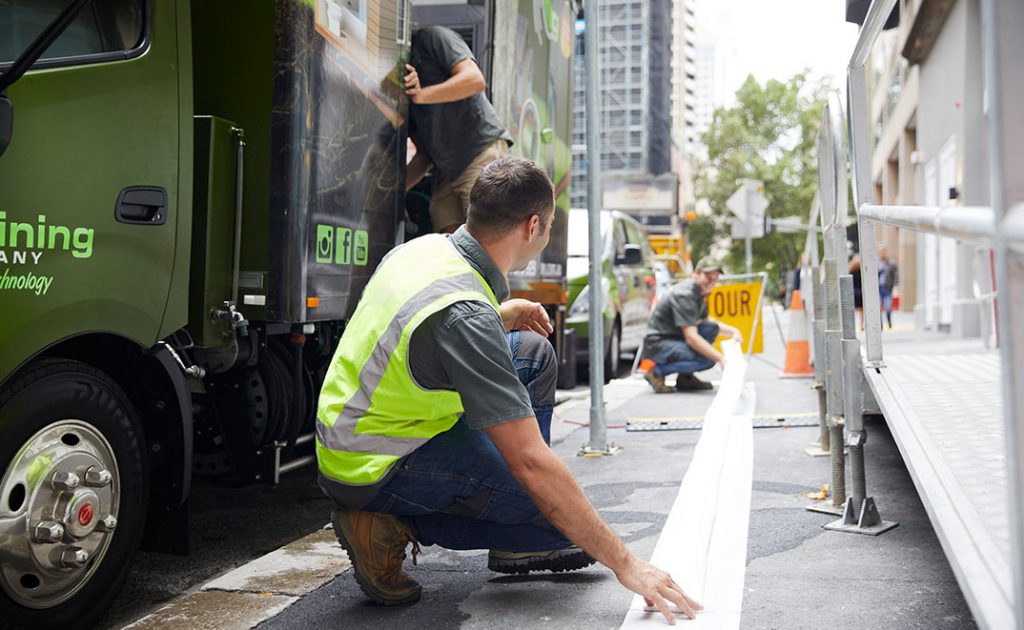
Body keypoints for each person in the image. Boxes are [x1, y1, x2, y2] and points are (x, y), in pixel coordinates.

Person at [316, 157, 701, 623]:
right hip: (374, 463)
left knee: (532, 353)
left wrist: (498, 314)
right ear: (533, 224)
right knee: (562, 526)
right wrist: (627, 563)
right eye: (551, 223)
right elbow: (531, 462)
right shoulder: (465, 314)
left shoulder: (424, 250)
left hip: (365, 428)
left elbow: (420, 342)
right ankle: (387, 521)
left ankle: (501, 508)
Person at [403, 25, 513, 234]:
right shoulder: (402, 81)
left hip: (478, 151)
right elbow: (425, 156)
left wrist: (421, 96)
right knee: (450, 250)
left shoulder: (433, 38)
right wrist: (389, 194)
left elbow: (474, 80)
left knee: (486, 239)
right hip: (446, 172)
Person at [641, 257, 743, 394]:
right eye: (708, 277)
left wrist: (733, 331)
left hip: (673, 338)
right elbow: (691, 338)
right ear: (695, 273)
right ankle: (656, 372)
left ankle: (685, 378)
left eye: (715, 278)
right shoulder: (685, 294)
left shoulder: (698, 291)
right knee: (707, 359)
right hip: (659, 344)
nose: (712, 282)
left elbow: (707, 321)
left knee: (711, 329)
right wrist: (721, 359)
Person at [877, 248, 899, 329]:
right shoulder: (876, 263)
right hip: (878, 288)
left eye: (883, 252)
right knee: (878, 307)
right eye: (881, 252)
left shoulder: (891, 263)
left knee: (888, 307)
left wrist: (895, 285)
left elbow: (896, 274)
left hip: (887, 288)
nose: (882, 253)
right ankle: (880, 325)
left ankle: (889, 321)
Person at [849, 256, 864, 330]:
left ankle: (852, 326)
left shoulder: (851, 272)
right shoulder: (861, 272)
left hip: (853, 293)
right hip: (861, 293)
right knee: (862, 311)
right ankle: (861, 325)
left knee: (852, 311)